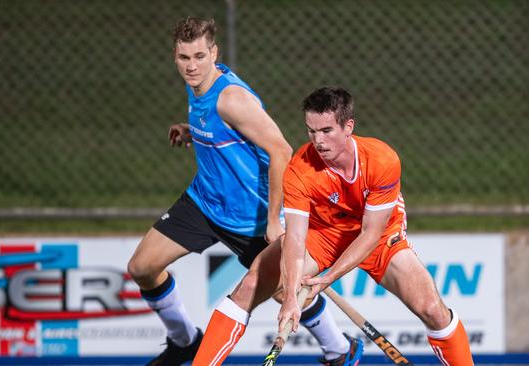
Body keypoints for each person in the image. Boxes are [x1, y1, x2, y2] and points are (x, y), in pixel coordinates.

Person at [128, 18, 363, 366]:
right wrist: (191, 130)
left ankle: (340, 350)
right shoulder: (198, 86)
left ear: (214, 53)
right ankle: (185, 341)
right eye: (183, 57)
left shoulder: (231, 99)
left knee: (287, 289)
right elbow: (224, 131)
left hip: (250, 216)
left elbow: (281, 150)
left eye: (199, 56)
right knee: (142, 267)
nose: (191, 66)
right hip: (205, 203)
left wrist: (273, 221)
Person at [193, 86, 473, 365]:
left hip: (378, 233)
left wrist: (328, 277)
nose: (318, 141)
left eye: (326, 131)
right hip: (323, 231)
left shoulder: (381, 161)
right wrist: (291, 295)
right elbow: (296, 238)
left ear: (348, 126)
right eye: (311, 131)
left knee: (432, 308)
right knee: (251, 284)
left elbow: (370, 233)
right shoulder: (300, 168)